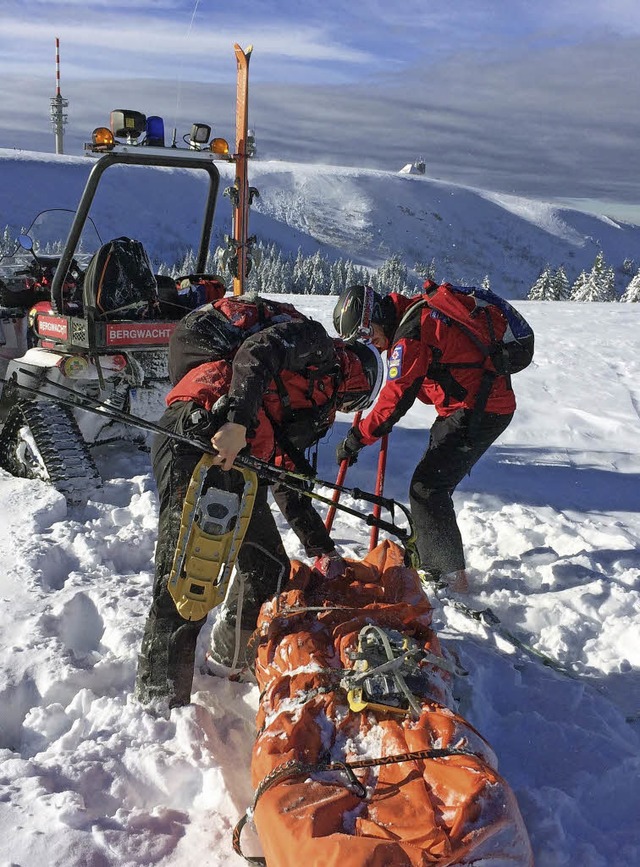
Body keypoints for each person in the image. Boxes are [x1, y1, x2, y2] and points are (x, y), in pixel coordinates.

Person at [135, 296, 383, 710]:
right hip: (202, 434)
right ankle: (159, 705)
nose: (343, 408)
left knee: (268, 566)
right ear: (358, 377)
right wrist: (236, 422)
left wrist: (321, 549)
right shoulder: (315, 343)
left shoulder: (294, 390)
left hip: (230, 456)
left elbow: (287, 476)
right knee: (188, 577)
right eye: (353, 401)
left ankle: (228, 661)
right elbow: (256, 351)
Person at [332, 282, 516, 593]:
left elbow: (396, 399)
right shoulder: (414, 315)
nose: (372, 343)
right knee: (428, 485)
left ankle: (449, 576)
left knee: (427, 489)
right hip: (466, 407)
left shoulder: (411, 335)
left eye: (368, 333)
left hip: (481, 410)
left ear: (376, 314)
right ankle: (431, 558)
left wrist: (358, 437)